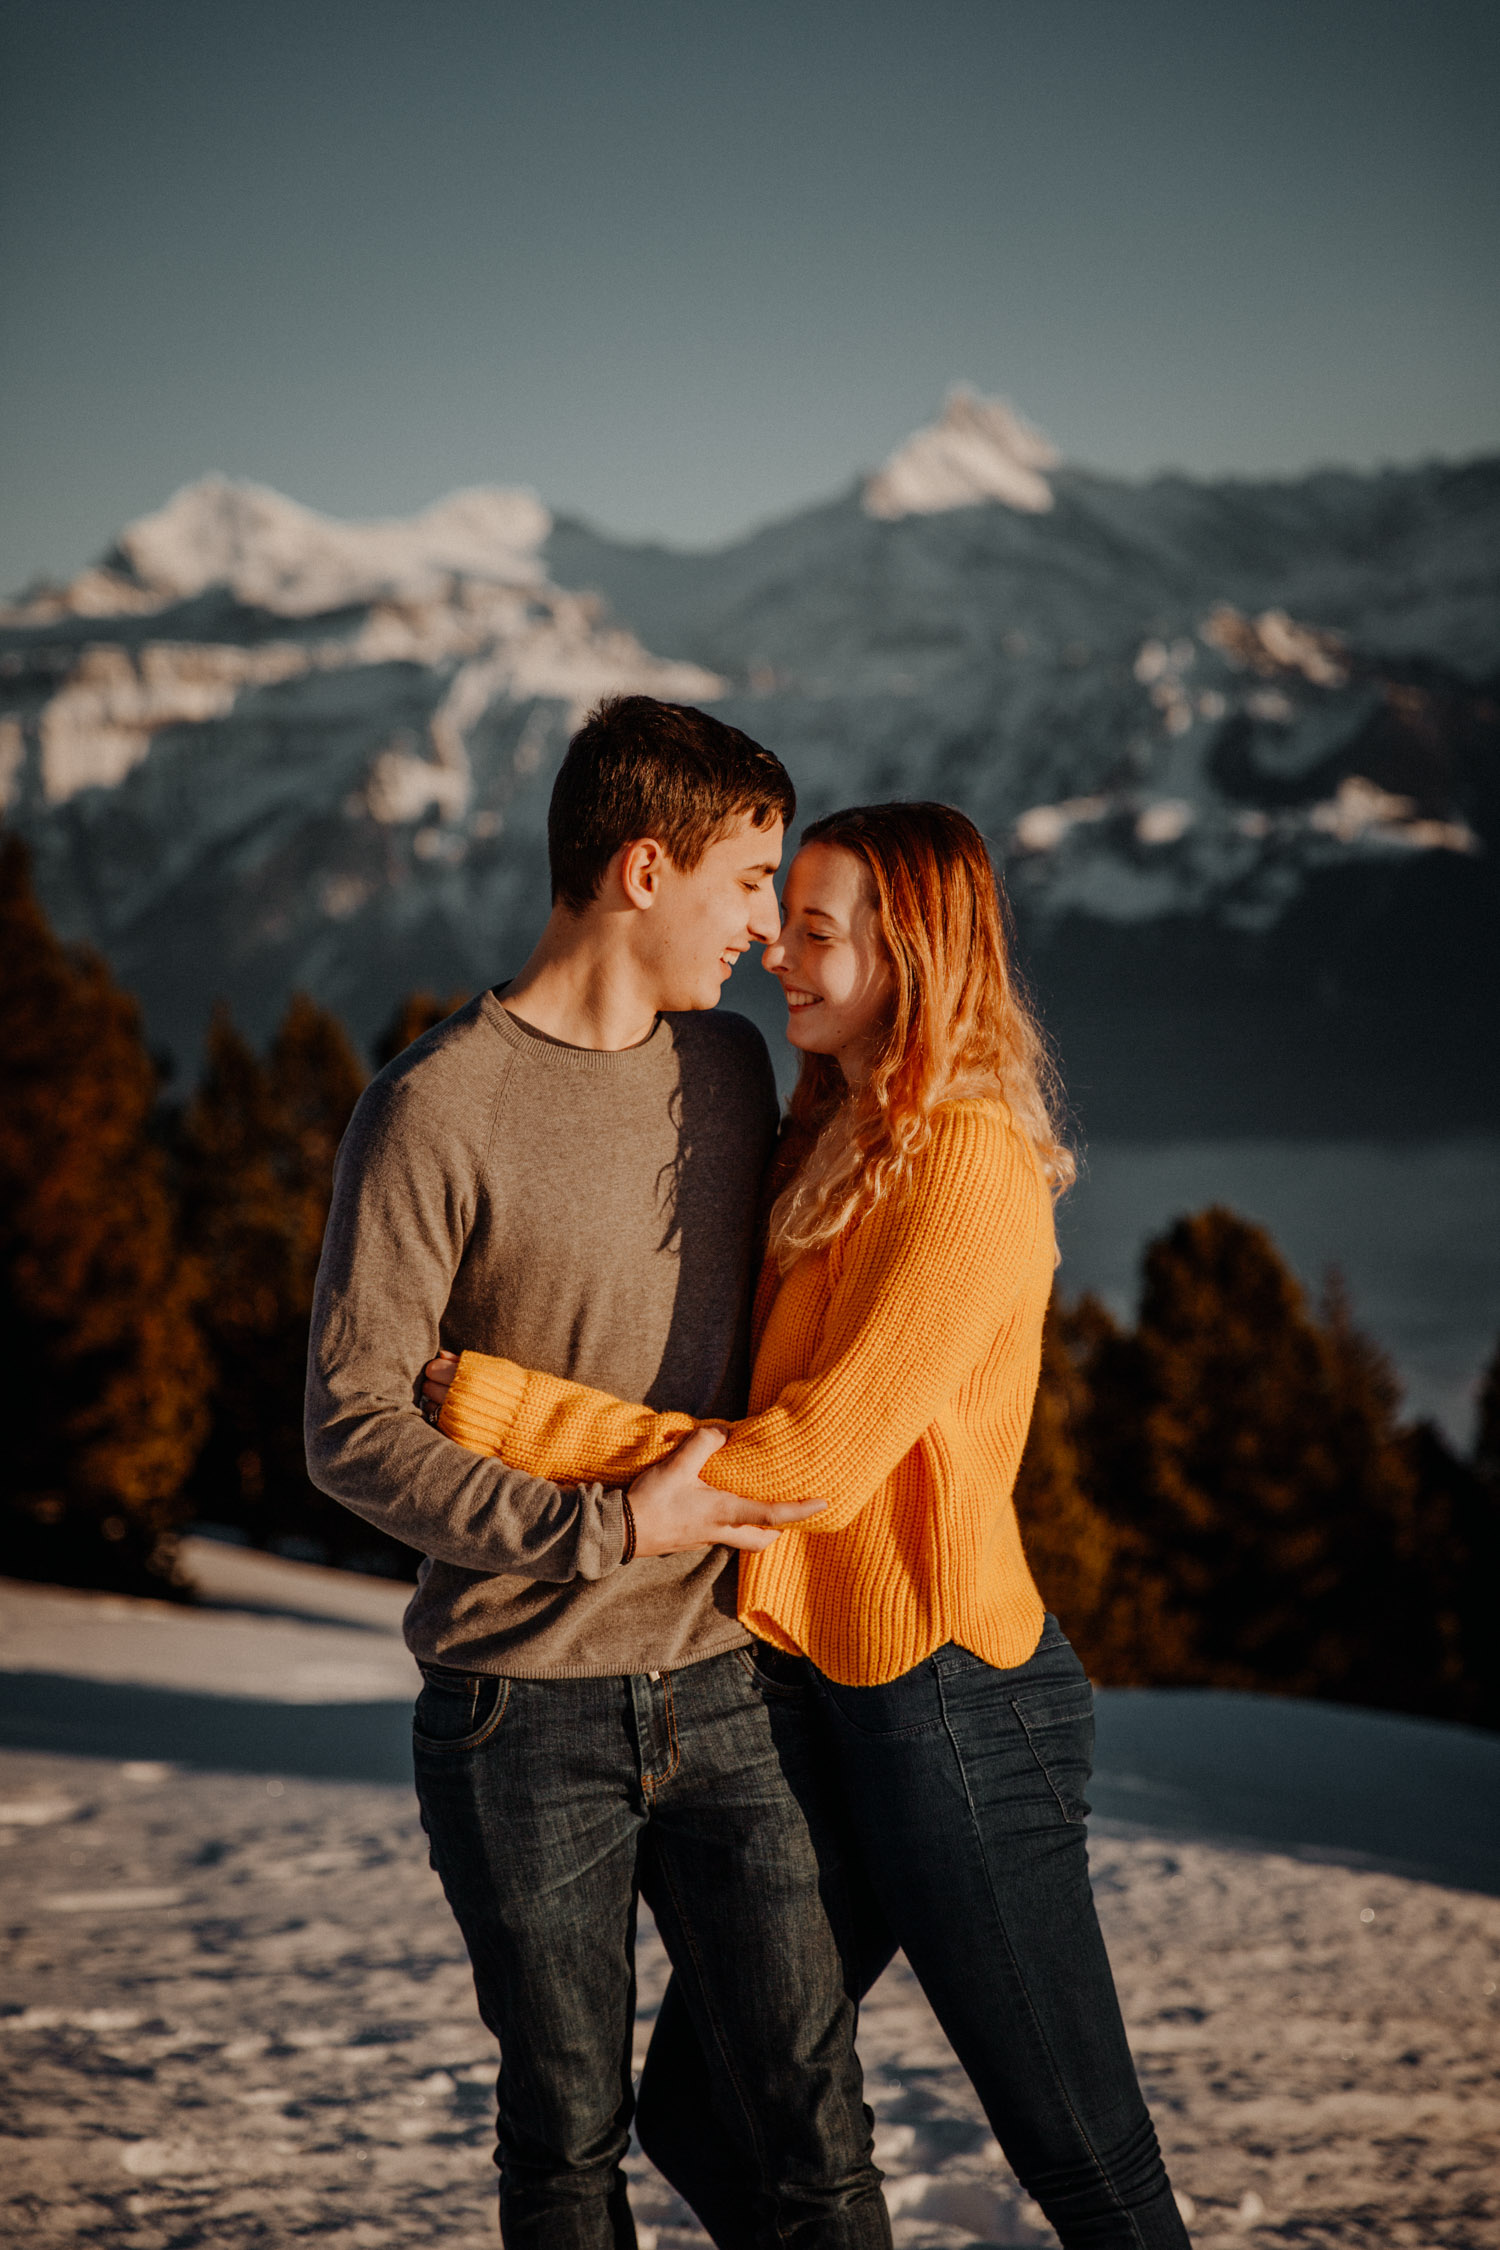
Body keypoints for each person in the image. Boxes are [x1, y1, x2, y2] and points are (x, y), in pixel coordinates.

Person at [424, 800, 1195, 2250]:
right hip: (823, 1709)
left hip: (959, 1714)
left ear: (910, 955)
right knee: (705, 2112)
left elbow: (811, 1463)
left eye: (819, 928)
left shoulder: (965, 1162)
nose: (778, 944)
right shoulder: (839, 1129)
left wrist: (514, 1414)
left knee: (1085, 2158)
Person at [305, 697, 892, 2250]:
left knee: (815, 2132)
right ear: (645, 870)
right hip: (517, 1707)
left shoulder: (731, 1069)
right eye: (751, 879)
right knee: (567, 2143)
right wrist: (611, 1518)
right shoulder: (431, 1109)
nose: (768, 926)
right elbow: (352, 1422)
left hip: (724, 1677)